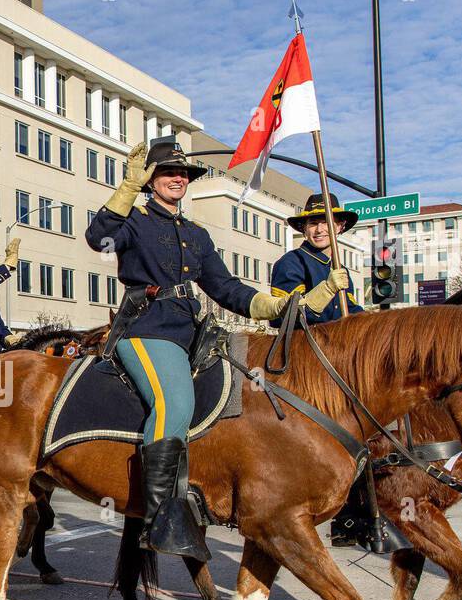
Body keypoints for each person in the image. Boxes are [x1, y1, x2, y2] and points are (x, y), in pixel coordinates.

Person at [85, 136, 349, 558]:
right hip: (148, 329)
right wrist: (127, 188)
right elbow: (98, 240)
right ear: (151, 179)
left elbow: (226, 288)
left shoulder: (195, 233)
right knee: (174, 403)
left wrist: (283, 304)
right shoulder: (134, 221)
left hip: (194, 330)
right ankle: (160, 517)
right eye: (167, 171)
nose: (177, 178)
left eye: (183, 173)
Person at [269, 193, 363, 324]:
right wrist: (327, 289)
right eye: (313, 223)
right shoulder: (290, 262)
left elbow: (351, 310)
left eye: (326, 222)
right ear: (304, 229)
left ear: (340, 226)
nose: (319, 230)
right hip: (302, 342)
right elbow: (284, 316)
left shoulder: (341, 269)